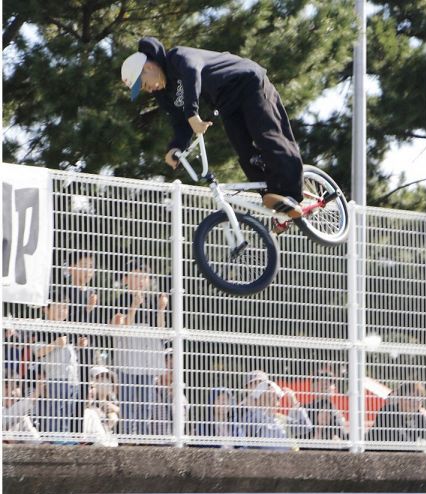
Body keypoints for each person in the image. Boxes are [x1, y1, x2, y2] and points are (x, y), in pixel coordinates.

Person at [121, 37, 305, 234]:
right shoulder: (167, 94)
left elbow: (193, 72)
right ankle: (275, 198)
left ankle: (291, 194)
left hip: (249, 83)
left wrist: (192, 113)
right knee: (245, 152)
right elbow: (180, 122)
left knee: (267, 137)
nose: (148, 90)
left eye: (144, 84)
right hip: (227, 104)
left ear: (148, 67)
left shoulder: (177, 57)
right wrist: (175, 147)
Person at [110, 260, 168, 436]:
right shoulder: (120, 300)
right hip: (128, 358)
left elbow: (161, 331)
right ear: (126, 279)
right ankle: (127, 436)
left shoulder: (152, 300)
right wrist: (134, 306)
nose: (141, 280)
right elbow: (122, 329)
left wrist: (161, 310)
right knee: (127, 402)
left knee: (146, 402)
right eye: (136, 276)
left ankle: (143, 436)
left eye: (145, 277)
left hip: (147, 358)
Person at [33, 290, 82, 436]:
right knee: (54, 413)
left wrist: (79, 345)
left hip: (72, 380)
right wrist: (55, 344)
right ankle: (54, 440)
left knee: (68, 412)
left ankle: (64, 440)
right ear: (46, 309)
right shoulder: (42, 327)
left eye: (65, 307)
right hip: (55, 378)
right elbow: (38, 351)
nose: (62, 311)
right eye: (58, 307)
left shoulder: (69, 328)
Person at [65, 250, 100, 421]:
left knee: (83, 393)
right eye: (84, 266)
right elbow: (64, 318)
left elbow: (97, 323)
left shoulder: (92, 293)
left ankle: (79, 436)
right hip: (68, 350)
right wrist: (87, 309)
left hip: (87, 350)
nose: (88, 271)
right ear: (71, 268)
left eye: (91, 267)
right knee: (68, 393)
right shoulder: (65, 292)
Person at [241, 370, 291, 450]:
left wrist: (295, 403)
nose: (258, 386)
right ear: (246, 388)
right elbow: (251, 432)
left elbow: (304, 428)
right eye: (253, 384)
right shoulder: (240, 409)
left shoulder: (276, 414)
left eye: (261, 383)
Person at [304, 369, 348, 442]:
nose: (325, 385)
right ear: (313, 387)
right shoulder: (306, 409)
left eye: (329, 383)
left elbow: (341, 435)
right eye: (320, 383)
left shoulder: (336, 412)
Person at [82, 365, 120, 447]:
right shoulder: (89, 396)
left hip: (109, 438)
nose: (105, 383)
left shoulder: (112, 400)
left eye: (107, 380)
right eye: (101, 379)